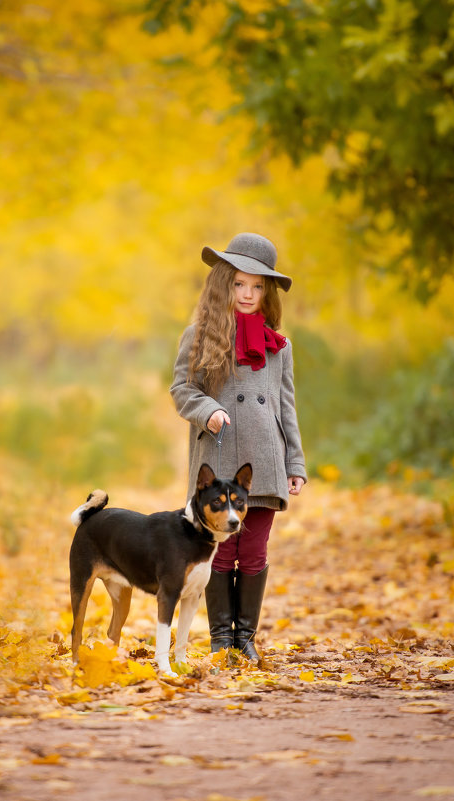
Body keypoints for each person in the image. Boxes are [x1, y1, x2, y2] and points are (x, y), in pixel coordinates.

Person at [169, 232, 308, 661]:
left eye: (257, 286)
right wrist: (207, 409)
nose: (247, 294)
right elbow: (182, 389)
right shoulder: (199, 335)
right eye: (239, 284)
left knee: (253, 551)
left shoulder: (277, 346)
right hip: (218, 458)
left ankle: (244, 639)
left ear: (267, 293)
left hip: (263, 463)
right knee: (220, 550)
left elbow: (287, 408)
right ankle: (219, 639)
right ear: (223, 284)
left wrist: (295, 462)